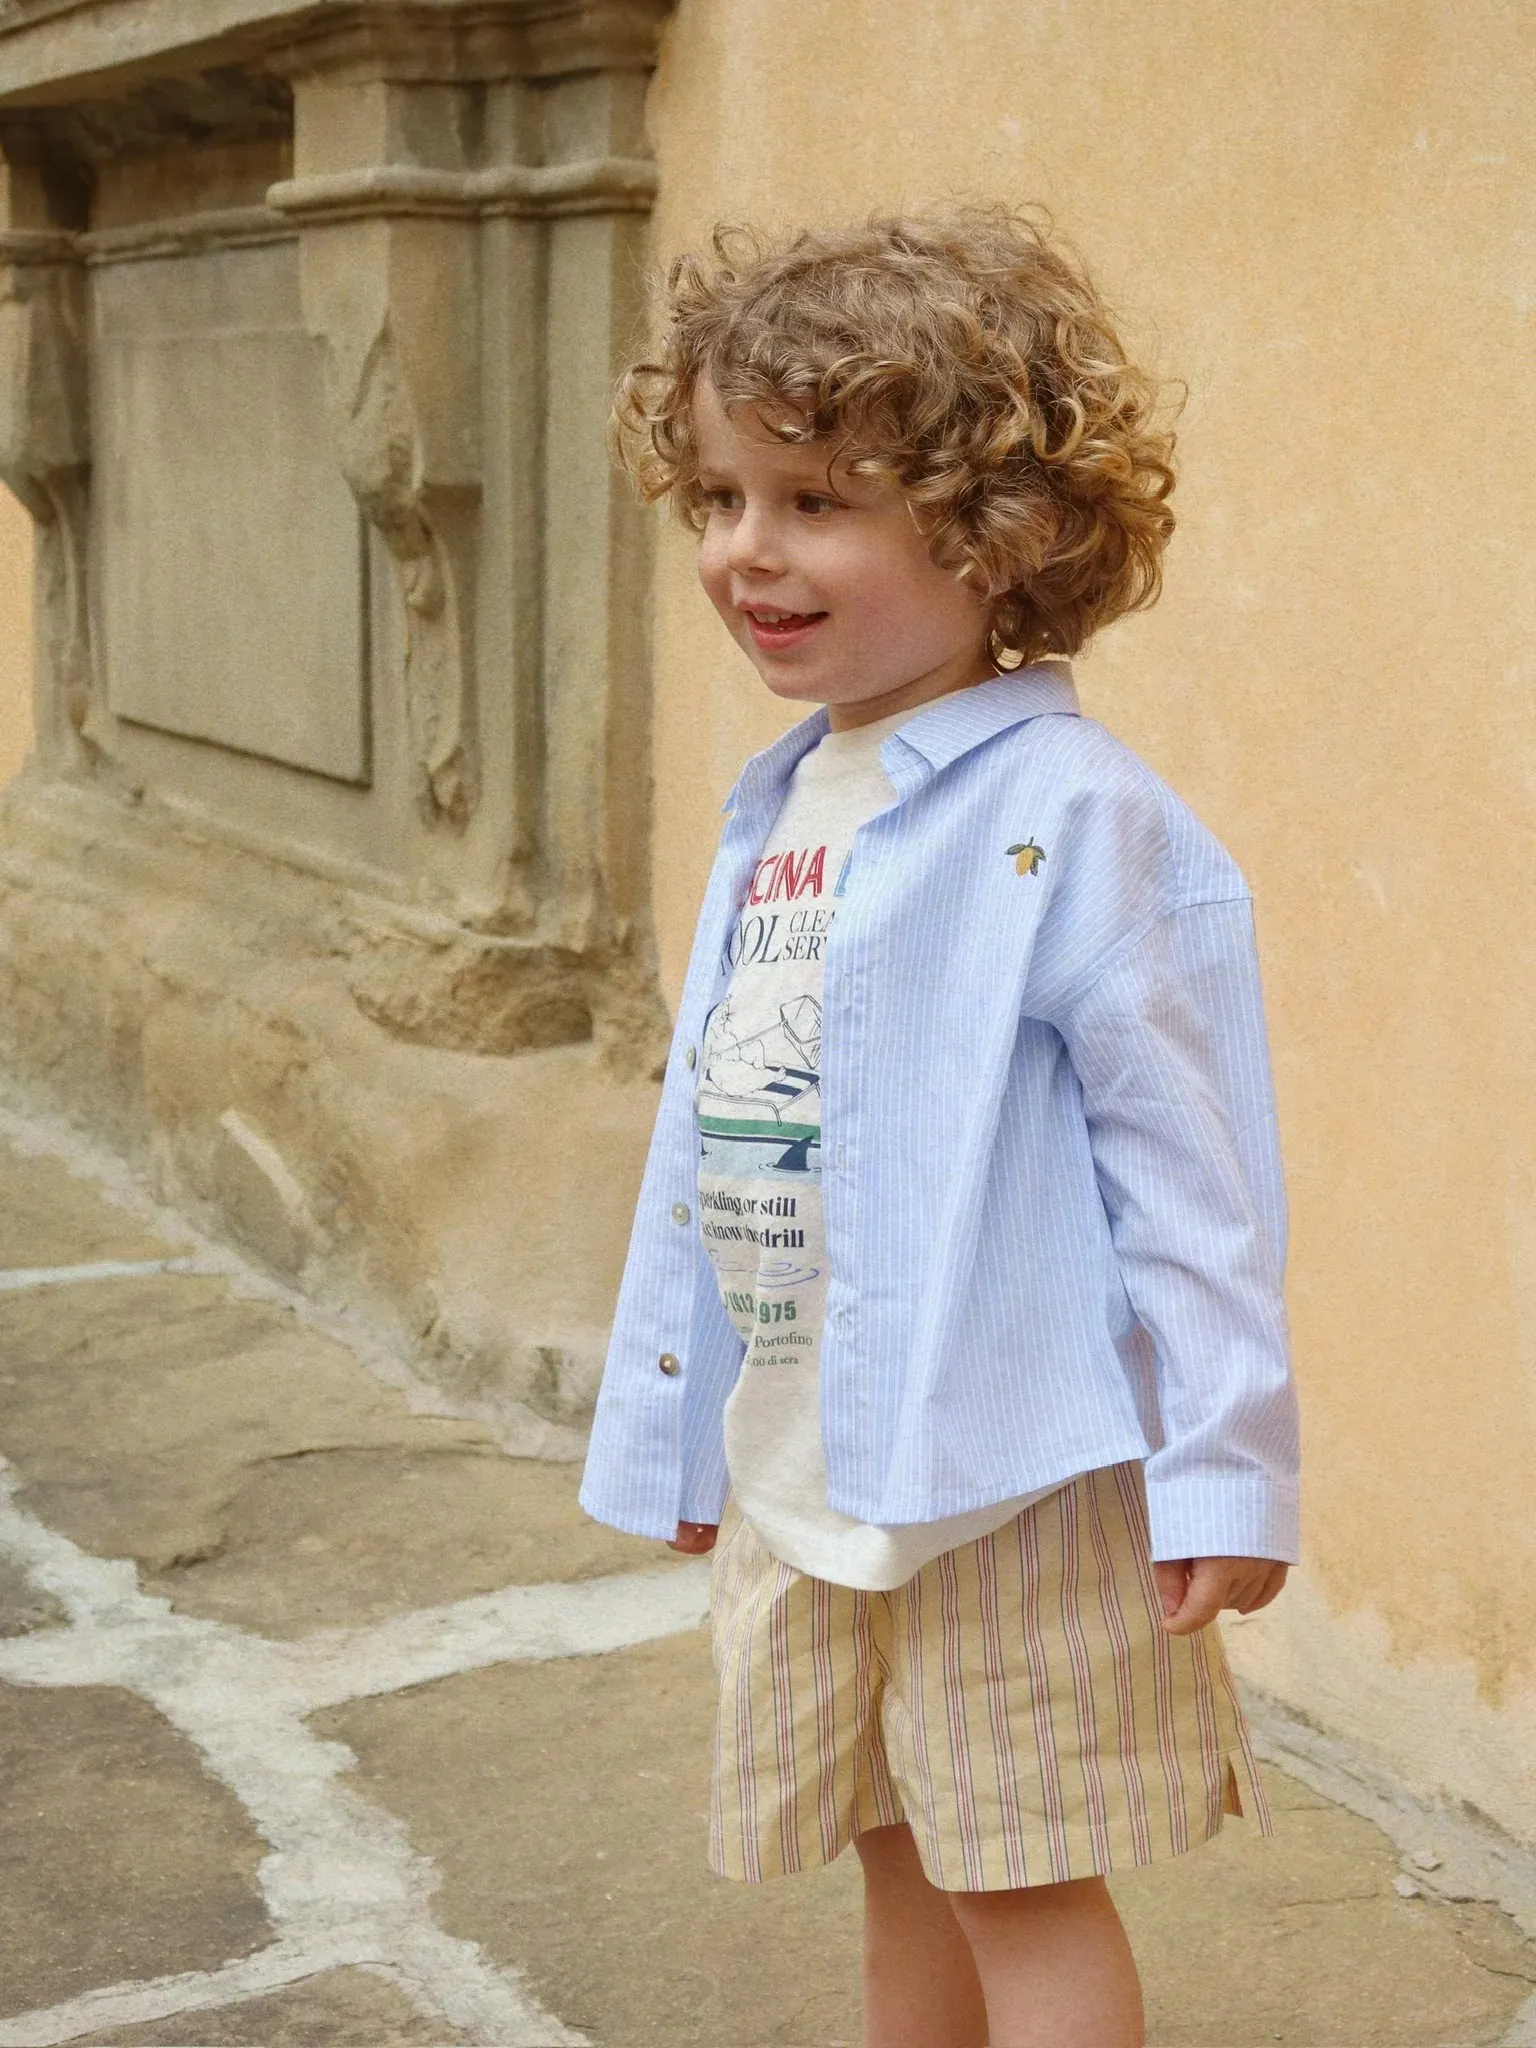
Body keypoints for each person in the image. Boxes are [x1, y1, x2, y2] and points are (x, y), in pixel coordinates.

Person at [579, 207, 1299, 2048]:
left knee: (1020, 1878)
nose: (747, 550)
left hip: (1011, 1476)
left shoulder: (1078, 817)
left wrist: (1225, 1467)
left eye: (817, 500)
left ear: (1000, 530)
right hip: (814, 1453)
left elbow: (1195, 1180)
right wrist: (678, 1423)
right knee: (893, 1842)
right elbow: (722, 1140)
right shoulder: (782, 801)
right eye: (720, 497)